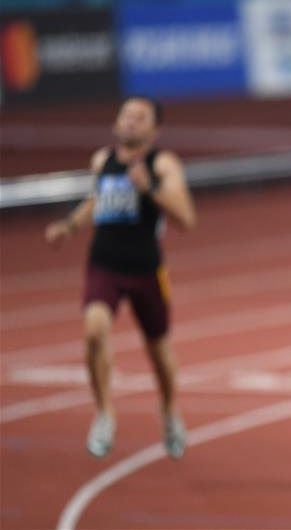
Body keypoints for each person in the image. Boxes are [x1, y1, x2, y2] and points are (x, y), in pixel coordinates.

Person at [45, 95, 197, 459]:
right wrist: (68, 226)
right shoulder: (102, 160)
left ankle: (170, 411)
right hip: (104, 265)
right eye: (126, 114)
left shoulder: (163, 163)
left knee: (158, 351)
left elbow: (185, 218)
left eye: (139, 117)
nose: (130, 121)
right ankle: (104, 414)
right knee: (95, 330)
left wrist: (150, 188)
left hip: (146, 270)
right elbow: (97, 199)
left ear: (153, 129)